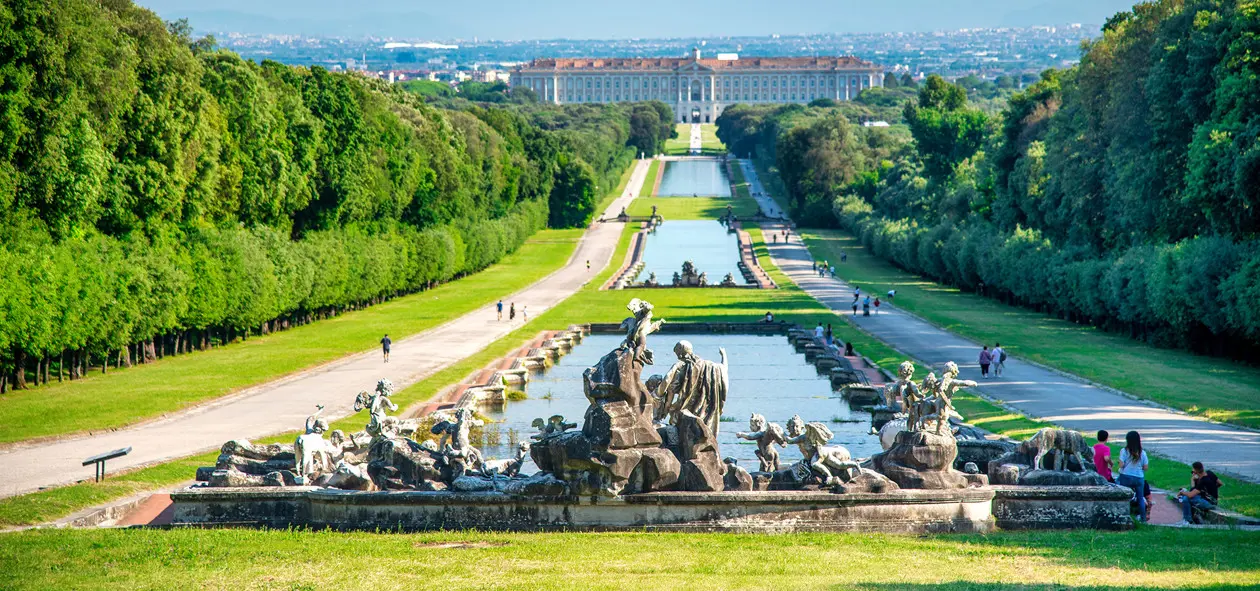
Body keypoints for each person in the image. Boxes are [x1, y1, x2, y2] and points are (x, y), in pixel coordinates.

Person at [1118, 430, 1150, 523]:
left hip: (1126, 476)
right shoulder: (1142, 453)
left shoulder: (1124, 451)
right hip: (1139, 477)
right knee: (1140, 498)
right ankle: (1143, 519)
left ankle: (1125, 516)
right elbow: (1146, 467)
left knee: (1125, 497)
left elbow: (1121, 465)